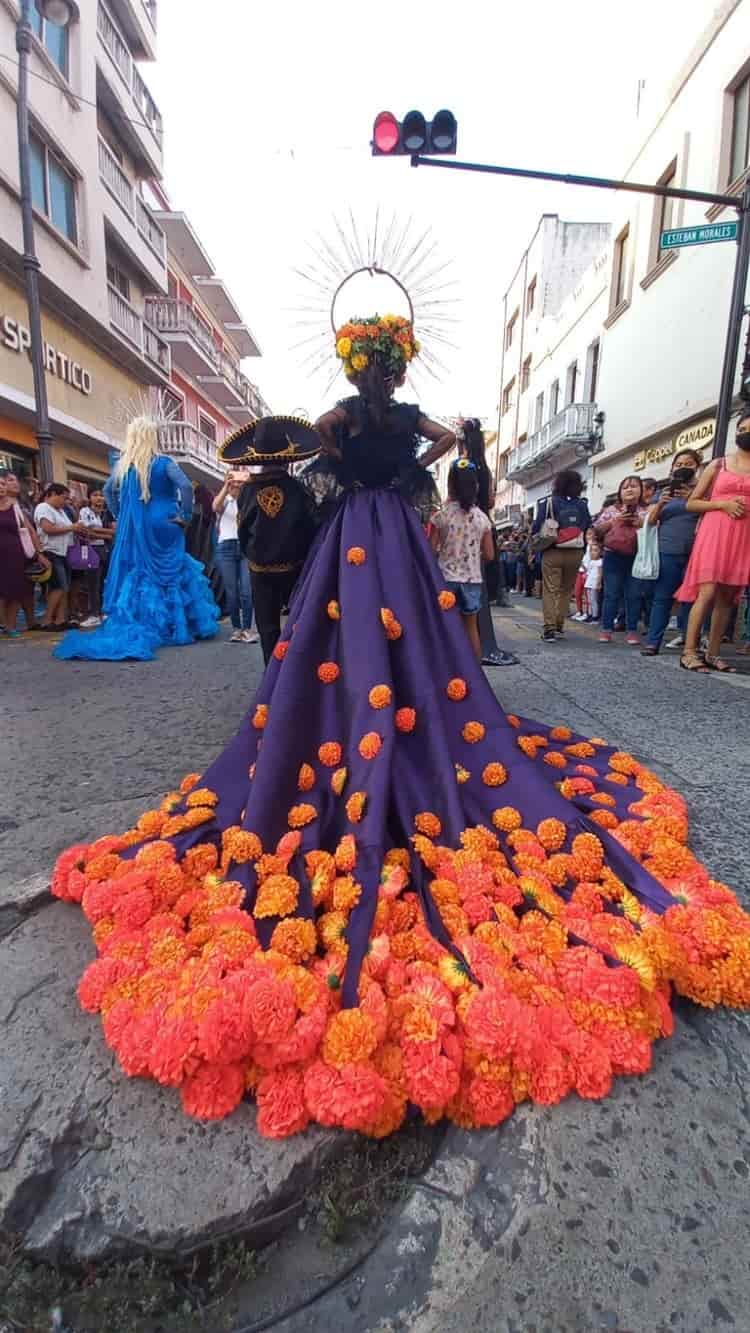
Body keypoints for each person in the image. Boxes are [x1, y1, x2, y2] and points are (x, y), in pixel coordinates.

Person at [49, 310, 750, 1143]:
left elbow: (315, 445)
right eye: (380, 366)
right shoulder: (397, 416)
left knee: (357, 632)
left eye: (376, 366)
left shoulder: (347, 416)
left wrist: (344, 465)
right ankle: (376, 705)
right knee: (398, 630)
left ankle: (358, 707)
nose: (379, 377)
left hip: (356, 527)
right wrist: (400, 463)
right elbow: (442, 436)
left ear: (363, 363)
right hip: (387, 530)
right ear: (386, 364)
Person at [54, 416, 219, 661]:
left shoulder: (126, 466)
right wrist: (184, 515)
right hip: (166, 519)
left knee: (141, 570)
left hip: (139, 523)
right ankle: (181, 626)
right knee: (174, 570)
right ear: (153, 437)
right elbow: (185, 486)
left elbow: (110, 491)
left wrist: (123, 515)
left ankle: (148, 624)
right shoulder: (164, 462)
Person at [223, 422, 320, 664]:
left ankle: (272, 680)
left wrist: (253, 555)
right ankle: (298, 675)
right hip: (296, 568)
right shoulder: (298, 488)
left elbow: (242, 530)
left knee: (267, 629)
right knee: (300, 624)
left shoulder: (247, 490)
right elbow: (311, 527)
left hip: (260, 570)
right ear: (287, 459)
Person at [676, 420, 750, 673]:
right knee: (706, 593)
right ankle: (688, 651)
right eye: (742, 429)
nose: (745, 434)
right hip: (715, 533)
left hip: (744, 537)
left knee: (727, 599)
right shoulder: (718, 465)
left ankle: (713, 653)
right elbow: (692, 503)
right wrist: (722, 505)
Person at [458, 418, 517, 664]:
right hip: (480, 534)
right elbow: (491, 501)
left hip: (458, 534)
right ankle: (483, 646)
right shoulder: (483, 468)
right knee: (477, 595)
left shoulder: (460, 465)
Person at [639, 450, 701, 657]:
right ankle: (653, 641)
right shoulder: (663, 492)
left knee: (692, 599)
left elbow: (710, 512)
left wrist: (693, 497)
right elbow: (651, 520)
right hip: (667, 550)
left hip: (696, 551)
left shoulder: (705, 489)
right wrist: (661, 503)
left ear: (697, 467)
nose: (683, 466)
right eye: (679, 463)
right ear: (672, 468)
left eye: (689, 463)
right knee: (662, 598)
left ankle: (690, 641)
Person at [432, 458, 495, 660]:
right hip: (472, 581)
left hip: (445, 579)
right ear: (476, 486)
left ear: (450, 485)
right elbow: (490, 554)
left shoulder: (441, 516)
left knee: (443, 628)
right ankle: (475, 676)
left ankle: (447, 674)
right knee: (471, 628)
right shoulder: (482, 518)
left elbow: (430, 549)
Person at [533, 469, 592, 642]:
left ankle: (549, 628)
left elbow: (537, 527)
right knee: (566, 590)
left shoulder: (549, 503)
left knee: (550, 590)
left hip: (553, 550)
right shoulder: (582, 504)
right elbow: (586, 524)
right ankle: (559, 625)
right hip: (575, 551)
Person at [594, 475, 646, 644]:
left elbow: (654, 530)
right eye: (625, 487)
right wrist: (615, 521)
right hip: (613, 555)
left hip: (637, 556)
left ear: (641, 490)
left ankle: (631, 630)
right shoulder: (610, 510)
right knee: (611, 594)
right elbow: (597, 530)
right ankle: (606, 629)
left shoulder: (648, 510)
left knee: (634, 595)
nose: (630, 489)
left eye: (634, 486)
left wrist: (641, 523)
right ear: (620, 492)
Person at [0, 472, 49, 635]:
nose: (2, 487)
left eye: (2, 484)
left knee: (15, 591)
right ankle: (3, 624)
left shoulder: (15, 507)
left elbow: (30, 531)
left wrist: (39, 553)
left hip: (16, 554)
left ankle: (11, 626)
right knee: (2, 593)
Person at [34, 483, 87, 631]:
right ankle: (47, 620)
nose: (65, 502)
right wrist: (71, 527)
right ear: (52, 495)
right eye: (63, 498)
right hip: (52, 552)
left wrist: (77, 527)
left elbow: (67, 527)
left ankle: (60, 619)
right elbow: (48, 528)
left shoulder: (61, 511)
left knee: (65, 587)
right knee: (58, 586)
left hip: (64, 552)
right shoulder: (43, 508)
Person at [213, 471, 257, 644]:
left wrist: (247, 488)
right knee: (232, 592)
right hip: (226, 547)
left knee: (247, 591)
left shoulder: (247, 501)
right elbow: (215, 507)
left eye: (240, 482)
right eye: (234, 481)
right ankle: (237, 629)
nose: (237, 485)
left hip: (245, 548)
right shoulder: (225, 500)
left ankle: (247, 629)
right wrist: (226, 487)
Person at [76, 488, 116, 629]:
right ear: (89, 497)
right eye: (95, 495)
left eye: (101, 495)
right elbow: (86, 531)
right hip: (91, 549)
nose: (99, 498)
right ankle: (94, 614)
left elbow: (114, 532)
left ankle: (103, 612)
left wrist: (97, 531)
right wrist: (106, 534)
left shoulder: (106, 513)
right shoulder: (85, 511)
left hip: (105, 550)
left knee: (104, 582)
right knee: (92, 584)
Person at [583, 539, 603, 621]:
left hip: (594, 582)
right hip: (589, 582)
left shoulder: (600, 562)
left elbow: (600, 574)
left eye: (595, 550)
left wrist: (598, 583)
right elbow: (588, 572)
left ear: (600, 552)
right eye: (591, 550)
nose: (593, 552)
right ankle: (590, 614)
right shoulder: (591, 562)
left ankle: (595, 616)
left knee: (594, 600)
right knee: (589, 600)